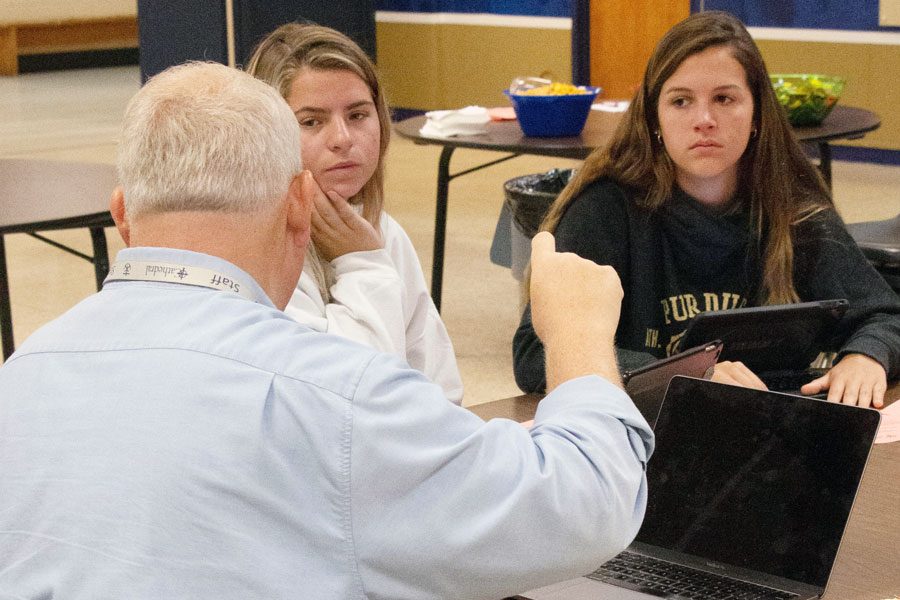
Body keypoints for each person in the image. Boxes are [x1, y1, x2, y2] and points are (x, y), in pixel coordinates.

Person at [0, 61, 653, 599]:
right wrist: (576, 334)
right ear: (299, 207)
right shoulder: (333, 396)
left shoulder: (22, 378)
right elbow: (585, 508)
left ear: (123, 217)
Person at [513, 11, 900, 409]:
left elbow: (884, 315)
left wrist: (868, 355)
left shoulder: (793, 206)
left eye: (724, 98)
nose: (704, 120)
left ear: (756, 115)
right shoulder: (605, 208)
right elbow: (532, 353)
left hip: (771, 431)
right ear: (655, 118)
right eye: (681, 101)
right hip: (644, 433)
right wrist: (684, 374)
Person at [244, 23, 463, 404]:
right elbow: (350, 395)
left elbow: (438, 386)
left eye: (358, 115)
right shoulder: (258, 245)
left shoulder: (379, 230)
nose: (343, 139)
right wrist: (361, 263)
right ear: (267, 134)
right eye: (311, 122)